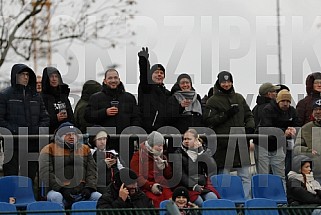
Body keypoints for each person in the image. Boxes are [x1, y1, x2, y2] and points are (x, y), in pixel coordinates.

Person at [203, 71, 255, 199]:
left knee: (245, 176)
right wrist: (226, 114)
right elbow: (209, 121)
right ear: (219, 83)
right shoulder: (212, 100)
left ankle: (245, 202)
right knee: (224, 177)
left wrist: (249, 128)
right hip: (223, 145)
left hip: (240, 143)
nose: (226, 84)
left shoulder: (239, 98)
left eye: (228, 82)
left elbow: (249, 115)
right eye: (223, 82)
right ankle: (225, 201)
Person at [0, 64, 50, 182]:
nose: (26, 77)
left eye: (27, 74)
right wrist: (16, 131)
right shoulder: (5, 95)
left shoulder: (36, 96)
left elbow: (45, 118)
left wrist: (35, 131)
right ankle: (10, 199)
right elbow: (1, 120)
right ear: (15, 76)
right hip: (12, 144)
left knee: (29, 178)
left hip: (31, 143)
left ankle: (28, 199)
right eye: (23, 74)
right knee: (10, 177)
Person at [84, 69, 141, 165]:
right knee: (107, 170)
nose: (113, 80)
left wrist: (132, 133)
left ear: (119, 79)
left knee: (125, 169)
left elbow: (136, 117)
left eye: (115, 78)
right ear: (105, 81)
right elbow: (88, 116)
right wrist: (104, 112)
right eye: (110, 78)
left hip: (125, 142)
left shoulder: (129, 97)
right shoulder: (96, 97)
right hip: (105, 143)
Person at [38, 122, 101, 208]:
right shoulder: (48, 149)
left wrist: (89, 188)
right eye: (67, 134)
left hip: (81, 190)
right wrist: (61, 189)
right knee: (56, 197)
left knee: (98, 197)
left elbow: (92, 171)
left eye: (73, 134)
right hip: (57, 190)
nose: (71, 137)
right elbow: (45, 173)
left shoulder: (85, 149)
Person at [257, 89, 300, 187]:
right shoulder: (268, 109)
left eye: (287, 101)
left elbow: (298, 123)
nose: (285, 104)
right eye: (283, 101)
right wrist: (283, 131)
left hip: (279, 145)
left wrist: (293, 129)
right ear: (278, 101)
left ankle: (282, 197)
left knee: (280, 175)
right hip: (263, 144)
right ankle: (264, 198)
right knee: (263, 176)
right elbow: (266, 127)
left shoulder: (292, 111)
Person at [172, 129, 220, 207]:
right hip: (187, 186)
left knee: (212, 199)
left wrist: (201, 151)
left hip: (202, 185)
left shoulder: (203, 151)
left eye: (189, 139)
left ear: (196, 140)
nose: (186, 141)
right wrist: (193, 185)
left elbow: (212, 167)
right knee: (200, 202)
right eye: (185, 139)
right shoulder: (178, 153)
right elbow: (179, 174)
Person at [130, 131, 173, 208]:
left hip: (162, 186)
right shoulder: (138, 156)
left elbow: (168, 175)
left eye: (162, 146)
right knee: (156, 202)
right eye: (158, 145)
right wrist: (150, 186)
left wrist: (165, 167)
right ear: (151, 145)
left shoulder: (162, 156)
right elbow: (137, 176)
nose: (161, 148)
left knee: (171, 201)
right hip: (146, 188)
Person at [137, 47, 171, 133]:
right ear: (151, 75)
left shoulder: (167, 93)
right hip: (146, 130)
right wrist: (144, 60)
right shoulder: (147, 88)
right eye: (156, 72)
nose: (159, 74)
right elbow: (144, 75)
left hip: (162, 131)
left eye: (161, 73)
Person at [90, 126, 125, 194]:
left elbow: (121, 168)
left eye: (104, 139)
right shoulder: (90, 152)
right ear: (93, 140)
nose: (103, 142)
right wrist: (104, 164)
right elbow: (90, 170)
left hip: (114, 184)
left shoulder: (113, 153)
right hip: (98, 186)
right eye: (99, 139)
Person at [294, 99, 321, 184]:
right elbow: (296, 149)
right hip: (315, 174)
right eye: (315, 109)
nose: (318, 112)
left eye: (320, 109)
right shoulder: (306, 128)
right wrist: (308, 151)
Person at [41, 66, 74, 134]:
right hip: (49, 135)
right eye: (51, 77)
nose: (54, 79)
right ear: (47, 79)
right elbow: (40, 120)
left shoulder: (63, 96)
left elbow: (72, 117)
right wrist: (55, 118)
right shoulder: (41, 98)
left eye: (56, 76)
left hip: (65, 133)